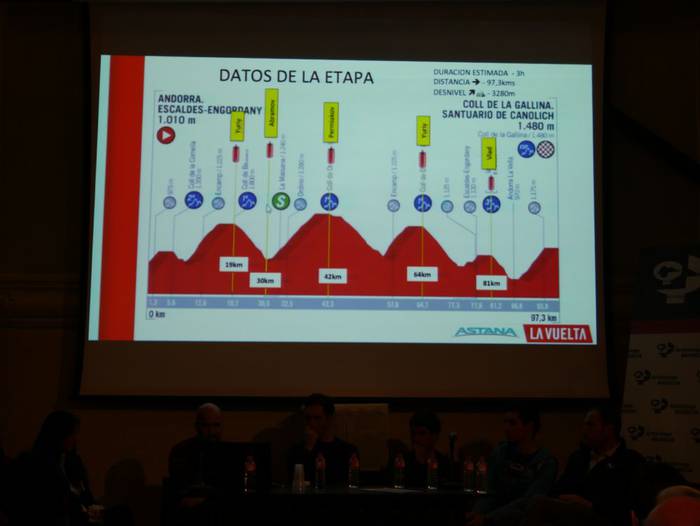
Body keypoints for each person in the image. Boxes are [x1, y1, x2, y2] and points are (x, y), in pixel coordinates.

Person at [524, 404, 646, 526]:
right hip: (568, 513)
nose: (584, 430)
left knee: (539, 505)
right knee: (531, 504)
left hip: (602, 518)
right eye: (584, 425)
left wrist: (589, 505)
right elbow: (558, 489)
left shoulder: (630, 462)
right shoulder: (579, 457)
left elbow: (632, 507)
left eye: (590, 425)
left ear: (609, 429)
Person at [466, 403, 558, 526]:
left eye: (512, 423)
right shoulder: (500, 452)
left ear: (529, 427)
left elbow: (528, 503)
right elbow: (489, 491)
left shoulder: (545, 462)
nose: (506, 428)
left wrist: (488, 519)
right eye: (505, 422)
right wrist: (477, 513)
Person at [8, 410, 95, 526]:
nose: (75, 439)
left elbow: (86, 495)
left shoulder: (73, 462)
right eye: (72, 434)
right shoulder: (35, 463)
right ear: (59, 434)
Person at [287, 393, 358, 487]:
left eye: (317, 418)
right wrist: (309, 447)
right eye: (308, 418)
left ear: (329, 419)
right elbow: (297, 481)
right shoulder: (297, 450)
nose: (311, 423)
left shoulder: (347, 450)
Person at [168, 403, 223, 497]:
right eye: (205, 425)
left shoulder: (227, 452)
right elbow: (180, 486)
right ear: (196, 426)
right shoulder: (181, 451)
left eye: (216, 425)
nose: (211, 431)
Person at [388, 410, 449, 489]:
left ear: (434, 436)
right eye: (413, 433)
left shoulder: (444, 463)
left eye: (422, 433)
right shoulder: (403, 462)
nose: (416, 438)